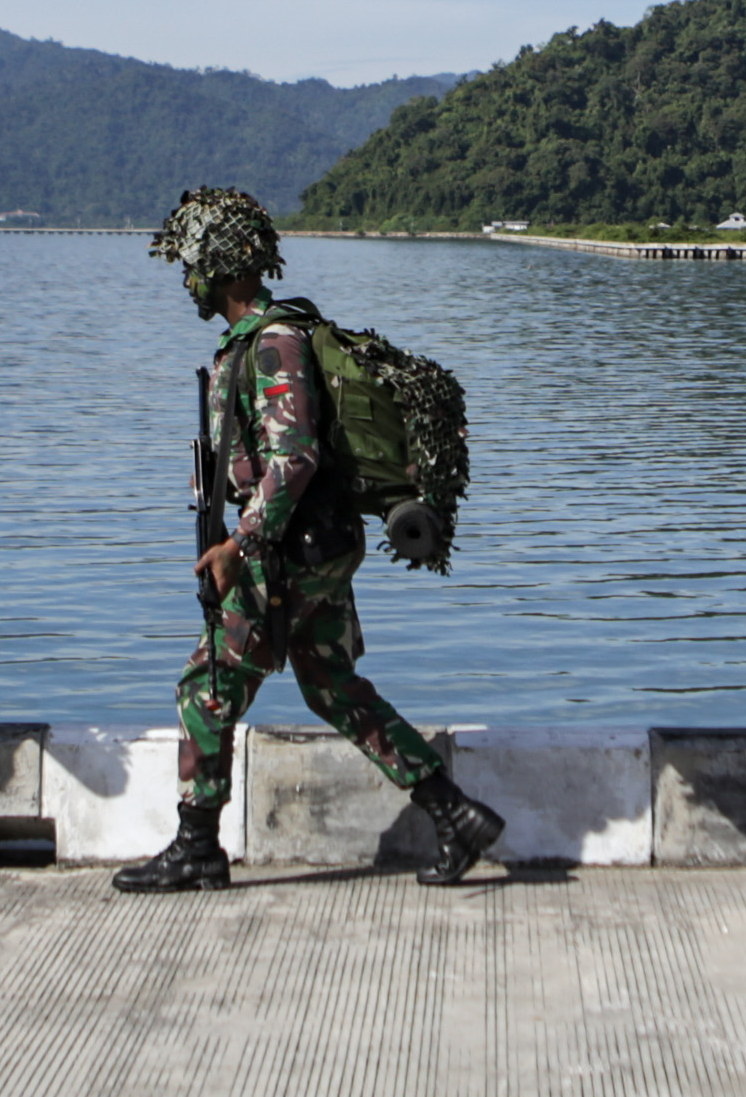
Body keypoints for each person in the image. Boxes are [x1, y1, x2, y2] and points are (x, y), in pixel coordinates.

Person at [113, 187, 504, 892]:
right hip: (312, 545)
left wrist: (241, 545)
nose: (187, 276)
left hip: (287, 552)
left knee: (205, 688)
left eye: (195, 261)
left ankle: (198, 846)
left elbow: (294, 457)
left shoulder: (274, 343)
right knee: (335, 689)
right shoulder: (256, 340)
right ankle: (455, 814)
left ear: (227, 265)